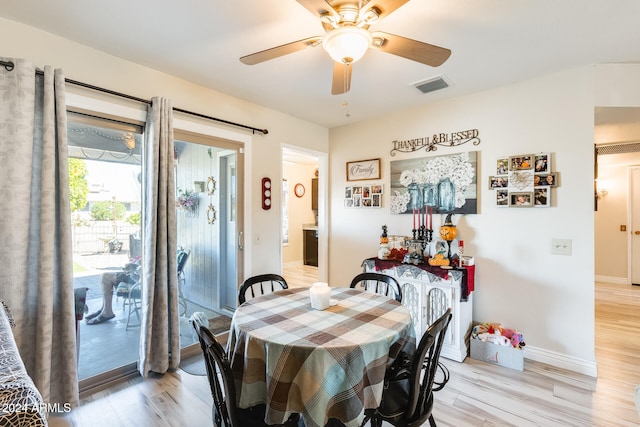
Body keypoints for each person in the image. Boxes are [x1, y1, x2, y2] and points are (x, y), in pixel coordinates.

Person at [86, 260, 140, 325]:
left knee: (105, 277)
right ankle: (104, 309)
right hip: (137, 274)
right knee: (102, 276)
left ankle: (107, 312)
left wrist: (136, 266)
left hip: (139, 279)